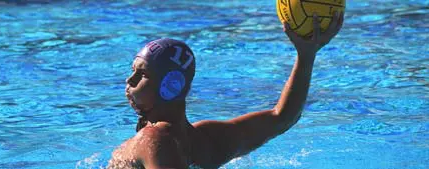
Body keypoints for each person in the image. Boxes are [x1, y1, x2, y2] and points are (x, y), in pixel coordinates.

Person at [108, 12, 344, 169]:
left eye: (142, 74)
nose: (130, 80)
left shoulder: (155, 140)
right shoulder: (209, 139)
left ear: (171, 86)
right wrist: (306, 55)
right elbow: (282, 117)